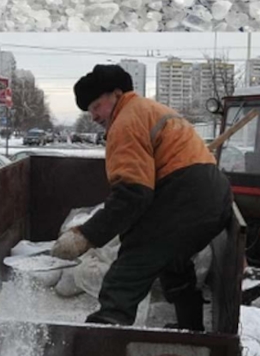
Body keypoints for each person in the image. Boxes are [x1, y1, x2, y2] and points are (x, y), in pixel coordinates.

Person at [51, 64, 233, 331]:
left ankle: (103, 335)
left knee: (130, 267)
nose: (94, 116)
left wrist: (85, 235)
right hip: (215, 195)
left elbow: (133, 195)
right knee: (173, 261)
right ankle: (190, 331)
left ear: (116, 94)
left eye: (97, 106)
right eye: (90, 111)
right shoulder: (148, 109)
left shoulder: (126, 121)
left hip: (186, 194)